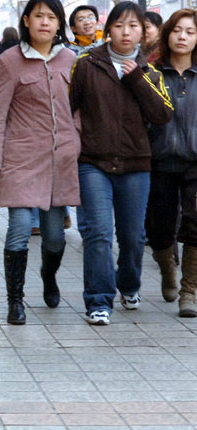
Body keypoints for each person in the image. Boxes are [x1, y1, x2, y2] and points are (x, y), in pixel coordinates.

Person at [70, 1, 174, 325]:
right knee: (98, 234)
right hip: (93, 162)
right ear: (108, 29)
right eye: (119, 25)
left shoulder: (150, 71)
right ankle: (99, 301)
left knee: (132, 236)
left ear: (143, 32)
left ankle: (128, 284)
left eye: (133, 26)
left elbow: (163, 114)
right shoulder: (86, 65)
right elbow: (67, 107)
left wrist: (137, 80)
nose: (125, 32)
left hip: (135, 165)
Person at [0, 0, 80, 325]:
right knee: (20, 229)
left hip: (60, 160)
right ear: (26, 20)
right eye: (38, 16)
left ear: (58, 24)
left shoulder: (71, 59)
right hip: (20, 158)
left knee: (54, 236)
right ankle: (16, 300)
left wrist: (76, 141)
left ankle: (49, 277)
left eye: (51, 17)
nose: (44, 22)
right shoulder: (10, 61)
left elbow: (79, 110)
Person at [146, 9, 197, 317]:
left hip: (195, 162)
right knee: (158, 229)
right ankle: (168, 269)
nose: (183, 36)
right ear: (167, 35)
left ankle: (189, 291)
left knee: (195, 223)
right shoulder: (151, 73)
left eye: (190, 32)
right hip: (159, 160)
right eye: (177, 30)